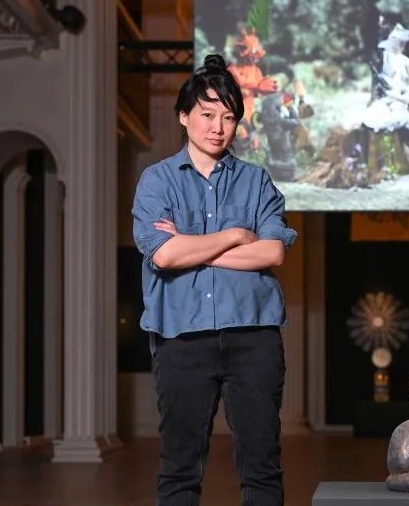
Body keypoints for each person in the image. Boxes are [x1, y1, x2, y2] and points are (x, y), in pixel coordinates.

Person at [131, 53, 296, 506]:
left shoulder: (257, 181)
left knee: (262, 467)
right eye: (207, 115)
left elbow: (272, 252)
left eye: (228, 117)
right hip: (181, 337)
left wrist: (192, 245)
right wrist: (234, 236)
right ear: (184, 116)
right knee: (179, 469)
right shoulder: (157, 181)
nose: (217, 128)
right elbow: (164, 254)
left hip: (254, 336)